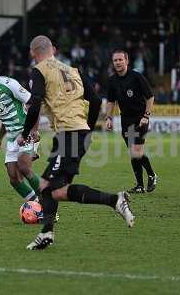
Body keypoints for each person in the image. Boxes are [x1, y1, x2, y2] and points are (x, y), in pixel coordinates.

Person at [18, 36, 134, 250]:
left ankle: (114, 201)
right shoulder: (73, 70)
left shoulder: (39, 70)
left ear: (34, 52)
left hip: (68, 134)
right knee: (56, 190)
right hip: (78, 132)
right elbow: (97, 100)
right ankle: (47, 233)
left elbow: (34, 104)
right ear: (51, 49)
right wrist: (88, 130)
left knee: (45, 185)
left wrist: (25, 133)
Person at [0, 57, 42, 202]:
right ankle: (35, 204)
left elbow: (33, 103)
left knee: (24, 167)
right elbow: (4, 117)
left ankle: (48, 204)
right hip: (12, 137)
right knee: (14, 178)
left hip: (26, 131)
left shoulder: (9, 84)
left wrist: (34, 130)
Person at [106, 50, 157, 194]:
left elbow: (150, 97)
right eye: (115, 60)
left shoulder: (136, 77)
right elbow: (110, 101)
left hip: (140, 118)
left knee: (136, 152)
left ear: (127, 61)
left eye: (120, 60)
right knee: (133, 153)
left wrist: (146, 116)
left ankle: (152, 175)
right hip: (125, 119)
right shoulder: (112, 81)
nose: (117, 62)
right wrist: (109, 118)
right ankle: (140, 186)